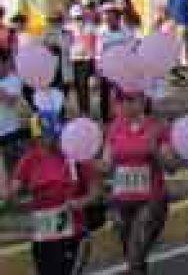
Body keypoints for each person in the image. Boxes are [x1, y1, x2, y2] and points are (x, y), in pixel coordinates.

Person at [3, 111, 102, 275]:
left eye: (53, 134)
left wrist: (80, 202)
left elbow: (96, 191)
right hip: (43, 236)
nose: (49, 140)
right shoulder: (29, 160)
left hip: (73, 233)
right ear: (35, 138)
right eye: (42, 137)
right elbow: (12, 191)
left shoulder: (74, 154)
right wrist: (9, 196)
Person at [102, 88, 178, 275]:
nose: (126, 104)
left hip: (150, 200)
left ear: (143, 100)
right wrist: (83, 159)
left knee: (135, 257)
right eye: (122, 100)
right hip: (121, 202)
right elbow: (107, 166)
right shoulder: (114, 128)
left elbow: (172, 166)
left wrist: (155, 152)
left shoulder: (157, 127)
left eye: (131, 99)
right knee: (134, 259)